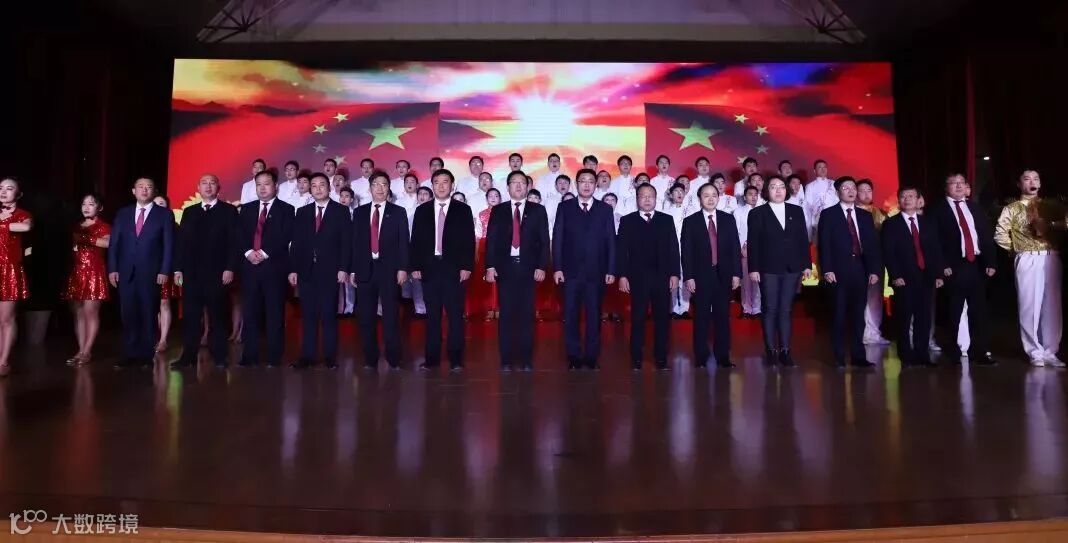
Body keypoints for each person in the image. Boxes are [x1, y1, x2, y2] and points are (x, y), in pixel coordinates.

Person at [994, 169, 1065, 367]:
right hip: (1027, 257)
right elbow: (1000, 234)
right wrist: (1017, 250)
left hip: (1050, 256)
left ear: (1040, 183)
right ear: (1020, 184)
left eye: (1035, 178)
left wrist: (1052, 225)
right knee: (1029, 305)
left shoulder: (1052, 206)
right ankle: (1034, 351)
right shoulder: (1012, 208)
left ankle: (1050, 351)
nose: (1032, 182)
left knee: (1052, 305)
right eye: (1027, 179)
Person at [928, 174, 997, 366]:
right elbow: (933, 241)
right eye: (954, 183)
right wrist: (942, 266)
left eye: (962, 183)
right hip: (953, 267)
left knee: (979, 312)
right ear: (946, 187)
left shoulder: (974, 207)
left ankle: (979, 352)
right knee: (952, 312)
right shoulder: (937, 210)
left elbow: (985, 236)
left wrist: (991, 262)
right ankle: (952, 352)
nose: (959, 186)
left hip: (976, 265)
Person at [170, 174, 238, 369]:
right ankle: (188, 357)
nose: (208, 186)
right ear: (198, 188)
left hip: (218, 273)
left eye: (212, 183)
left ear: (219, 187)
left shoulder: (228, 211)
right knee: (191, 317)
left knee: (218, 316)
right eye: (204, 183)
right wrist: (178, 269)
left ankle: (220, 356)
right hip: (192, 273)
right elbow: (181, 243)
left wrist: (230, 267)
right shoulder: (189, 211)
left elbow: (234, 242)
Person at [411, 169, 475, 371]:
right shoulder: (422, 211)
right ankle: (432, 359)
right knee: (432, 316)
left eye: (445, 182)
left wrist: (466, 266)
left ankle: (456, 359)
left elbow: (469, 240)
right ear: (432, 186)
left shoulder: (463, 210)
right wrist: (415, 266)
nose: (440, 186)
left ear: (452, 185)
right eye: (436, 182)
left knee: (455, 316)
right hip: (429, 269)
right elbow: (416, 241)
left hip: (454, 270)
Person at [485, 171, 550, 371]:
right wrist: (490, 266)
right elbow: (491, 240)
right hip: (505, 268)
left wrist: (541, 266)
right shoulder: (498, 210)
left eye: (522, 182)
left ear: (528, 186)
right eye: (514, 182)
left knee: (526, 315)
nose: (519, 186)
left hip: (528, 269)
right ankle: (506, 360)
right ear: (508, 187)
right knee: (506, 315)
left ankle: (526, 359)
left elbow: (544, 241)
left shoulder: (538, 210)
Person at [553, 168, 616, 369]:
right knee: (571, 315)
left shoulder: (605, 209)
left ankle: (591, 357)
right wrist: (557, 267)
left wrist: (611, 269)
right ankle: (573, 357)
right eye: (583, 181)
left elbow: (610, 241)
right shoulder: (565, 207)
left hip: (596, 272)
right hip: (570, 272)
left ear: (596, 184)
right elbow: (558, 239)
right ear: (576, 184)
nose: (587, 185)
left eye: (590, 181)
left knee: (594, 316)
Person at [746, 176, 812, 367]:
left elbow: (802, 239)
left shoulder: (796, 211)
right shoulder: (758, 213)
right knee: (770, 309)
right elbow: (753, 243)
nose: (778, 190)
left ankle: (785, 351)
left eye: (782, 186)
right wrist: (753, 268)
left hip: (792, 268)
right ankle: (771, 351)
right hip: (768, 268)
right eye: (773, 187)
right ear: (767, 191)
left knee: (786, 309)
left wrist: (807, 264)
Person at [107, 177, 173, 368]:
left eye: (149, 187)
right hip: (126, 271)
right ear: (133, 191)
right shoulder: (123, 213)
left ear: (154, 191)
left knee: (148, 312)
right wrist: (112, 268)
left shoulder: (164, 214)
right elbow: (114, 243)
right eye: (141, 187)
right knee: (128, 313)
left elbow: (168, 245)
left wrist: (164, 270)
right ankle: (129, 354)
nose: (145, 190)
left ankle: (146, 355)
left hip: (151, 272)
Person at [288, 173, 351, 369]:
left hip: (330, 271)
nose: (317, 189)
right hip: (306, 271)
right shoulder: (303, 212)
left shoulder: (341, 211)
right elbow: (296, 243)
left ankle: (330, 357)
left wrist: (343, 268)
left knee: (328, 315)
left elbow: (346, 243)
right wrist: (293, 269)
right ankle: (307, 356)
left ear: (329, 188)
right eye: (313, 186)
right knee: (308, 315)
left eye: (321, 185)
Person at [817, 177, 882, 368]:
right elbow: (824, 244)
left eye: (853, 187)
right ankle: (838, 356)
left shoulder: (865, 215)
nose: (851, 191)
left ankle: (858, 356)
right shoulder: (828, 214)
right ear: (838, 192)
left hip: (860, 269)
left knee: (858, 315)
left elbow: (872, 245)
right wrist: (827, 269)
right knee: (838, 314)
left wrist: (873, 269)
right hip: (838, 271)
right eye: (846, 188)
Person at [616, 183, 680, 370]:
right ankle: (636, 357)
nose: (646, 199)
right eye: (643, 196)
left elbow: (673, 249)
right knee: (638, 319)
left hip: (662, 277)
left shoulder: (666, 220)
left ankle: (661, 357)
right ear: (637, 199)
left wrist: (675, 273)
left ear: (656, 198)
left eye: (650, 196)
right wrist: (622, 275)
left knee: (662, 319)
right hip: (638, 278)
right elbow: (621, 251)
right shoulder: (627, 221)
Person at [235, 170, 294, 367]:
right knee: (250, 313)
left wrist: (264, 252)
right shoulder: (247, 209)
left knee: (274, 313)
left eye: (266, 184)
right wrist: (248, 253)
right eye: (258, 184)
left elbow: (285, 235)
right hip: (250, 268)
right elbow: (240, 234)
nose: (262, 188)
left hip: (274, 267)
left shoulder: (286, 209)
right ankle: (249, 355)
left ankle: (273, 357)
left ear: (275, 186)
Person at [882, 186, 944, 368]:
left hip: (926, 276)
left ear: (918, 200)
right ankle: (905, 357)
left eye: (911, 196)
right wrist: (895, 275)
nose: (907, 199)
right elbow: (888, 253)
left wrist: (938, 274)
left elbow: (935, 250)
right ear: (899, 201)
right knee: (904, 318)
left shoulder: (928, 222)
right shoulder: (891, 224)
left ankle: (922, 355)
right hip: (904, 278)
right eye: (903, 196)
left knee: (924, 318)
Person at [681, 183, 742, 368]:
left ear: (719, 197)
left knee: (722, 317)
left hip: (724, 275)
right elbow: (686, 252)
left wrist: (737, 274)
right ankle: (701, 356)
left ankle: (723, 356)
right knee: (701, 317)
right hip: (700, 276)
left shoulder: (728, 219)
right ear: (700, 198)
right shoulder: (690, 221)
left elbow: (735, 248)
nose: (710, 198)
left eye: (714, 195)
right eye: (706, 195)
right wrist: (689, 276)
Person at [63, 193, 111, 367]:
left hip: (94, 272)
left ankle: (87, 350)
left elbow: (107, 243)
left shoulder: (104, 226)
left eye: (91, 204)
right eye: (84, 204)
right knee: (79, 313)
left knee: (91, 312)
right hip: (77, 272)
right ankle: (80, 349)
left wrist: (87, 238)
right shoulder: (76, 226)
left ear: (100, 207)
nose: (86, 207)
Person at [0, 178, 32, 376]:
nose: (3, 192)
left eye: (9, 188)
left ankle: (4, 361)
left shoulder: (22, 215)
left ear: (18, 194)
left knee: (6, 318)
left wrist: (3, 225)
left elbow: (25, 227)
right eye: (1, 188)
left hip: (9, 270)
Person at [855, 179, 890, 345]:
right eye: (862, 190)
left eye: (869, 190)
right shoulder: (851, 212)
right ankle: (860, 332)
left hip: (876, 261)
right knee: (858, 298)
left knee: (875, 298)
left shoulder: (880, 213)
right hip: (857, 261)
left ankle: (873, 333)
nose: (866, 194)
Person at [153, 194, 179, 354]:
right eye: (155, 203)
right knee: (153, 304)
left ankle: (163, 339)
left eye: (161, 203)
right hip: (149, 269)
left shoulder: (173, 226)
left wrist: (175, 270)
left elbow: (175, 250)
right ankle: (155, 337)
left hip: (166, 269)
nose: (158, 206)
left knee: (164, 303)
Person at [472, 188, 503, 320]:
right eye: (490, 196)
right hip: (485, 247)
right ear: (486, 199)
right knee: (486, 278)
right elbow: (478, 235)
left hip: (502, 248)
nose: (493, 198)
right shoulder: (481, 214)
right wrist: (476, 251)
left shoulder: (506, 213)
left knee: (501, 278)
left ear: (500, 198)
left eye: (496, 196)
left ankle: (499, 307)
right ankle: (489, 307)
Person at [664, 183, 692, 319]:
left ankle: (685, 308)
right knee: (673, 275)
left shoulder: (691, 210)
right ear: (671, 195)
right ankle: (674, 308)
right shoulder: (666, 212)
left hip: (687, 247)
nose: (679, 193)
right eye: (676, 191)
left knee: (686, 275)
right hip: (671, 248)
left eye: (681, 191)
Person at [734, 186, 762, 319]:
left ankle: (757, 309)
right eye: (750, 194)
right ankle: (747, 308)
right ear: (745, 197)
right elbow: (736, 232)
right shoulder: (738, 212)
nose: (753, 197)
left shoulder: (762, 211)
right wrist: (741, 247)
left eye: (756, 194)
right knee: (746, 281)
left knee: (758, 280)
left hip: (760, 250)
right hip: (744, 249)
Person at [804, 159, 839, 239]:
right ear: (814, 171)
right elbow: (807, 206)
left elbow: (838, 200)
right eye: (820, 167)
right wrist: (811, 224)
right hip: (818, 219)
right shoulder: (810, 186)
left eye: (824, 167)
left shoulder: (833, 183)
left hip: (834, 217)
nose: (823, 169)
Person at [337, 187, 358, 317]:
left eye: (347, 196)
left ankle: (349, 308)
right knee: (337, 283)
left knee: (349, 281)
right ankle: (339, 308)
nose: (344, 199)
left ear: (351, 200)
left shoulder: (356, 214)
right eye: (342, 196)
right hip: (336, 251)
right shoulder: (334, 213)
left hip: (352, 250)